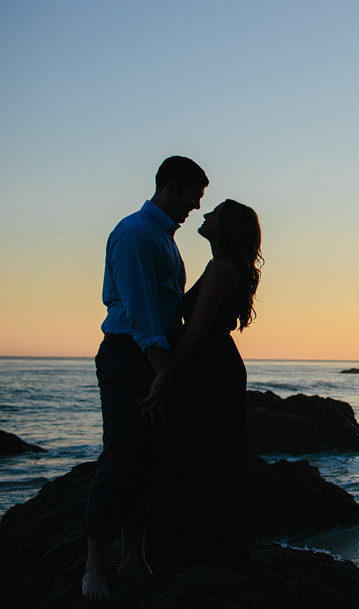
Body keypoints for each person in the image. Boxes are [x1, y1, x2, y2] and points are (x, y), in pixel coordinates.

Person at [82, 156, 208, 601]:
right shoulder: (136, 234)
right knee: (119, 458)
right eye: (193, 195)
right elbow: (139, 313)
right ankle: (94, 567)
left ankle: (131, 558)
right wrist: (163, 371)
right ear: (170, 188)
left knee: (146, 460)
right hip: (129, 357)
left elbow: (166, 307)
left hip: (151, 358)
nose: (195, 205)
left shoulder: (163, 238)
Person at [141, 198, 262, 567]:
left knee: (194, 454)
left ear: (226, 227)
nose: (205, 214)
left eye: (213, 213)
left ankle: (195, 550)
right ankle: (206, 546)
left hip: (206, 365)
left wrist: (164, 376)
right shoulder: (227, 267)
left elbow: (194, 334)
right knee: (208, 455)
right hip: (215, 363)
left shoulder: (222, 268)